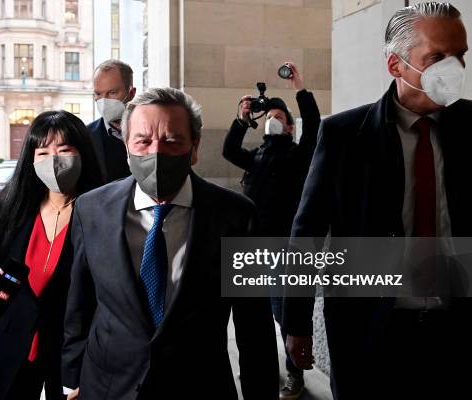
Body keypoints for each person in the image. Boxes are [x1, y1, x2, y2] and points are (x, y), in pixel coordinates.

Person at [282, 3, 472, 399]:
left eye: (460, 56)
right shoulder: (344, 137)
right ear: (395, 65)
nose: (453, 69)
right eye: (437, 57)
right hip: (369, 331)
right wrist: (295, 321)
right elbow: (308, 233)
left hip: (457, 332)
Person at [62, 88, 278, 400]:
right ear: (126, 147)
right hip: (108, 386)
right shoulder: (91, 209)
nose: (155, 152)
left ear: (194, 147)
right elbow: (79, 306)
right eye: (143, 141)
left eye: (172, 141)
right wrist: (71, 379)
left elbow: (253, 326)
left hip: (200, 387)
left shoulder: (237, 216)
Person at [0, 110, 103, 400]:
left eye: (65, 150)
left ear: (83, 153)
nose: (53, 160)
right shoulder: (15, 208)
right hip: (15, 341)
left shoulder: (103, 211)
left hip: (72, 352)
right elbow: (1, 276)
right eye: (42, 152)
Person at [223, 62, 320, 399]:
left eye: (280, 119)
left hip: (283, 248)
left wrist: (300, 88)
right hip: (252, 247)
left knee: (285, 315)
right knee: (252, 317)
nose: (273, 121)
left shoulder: (298, 155)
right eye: (269, 119)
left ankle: (296, 374)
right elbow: (228, 151)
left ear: (291, 128)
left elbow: (315, 127)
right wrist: (240, 120)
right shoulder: (257, 156)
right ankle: (258, 368)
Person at [87, 59, 136, 182]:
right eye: (98, 94)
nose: (103, 101)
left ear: (131, 93)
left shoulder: (151, 131)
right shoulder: (85, 136)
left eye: (112, 93)